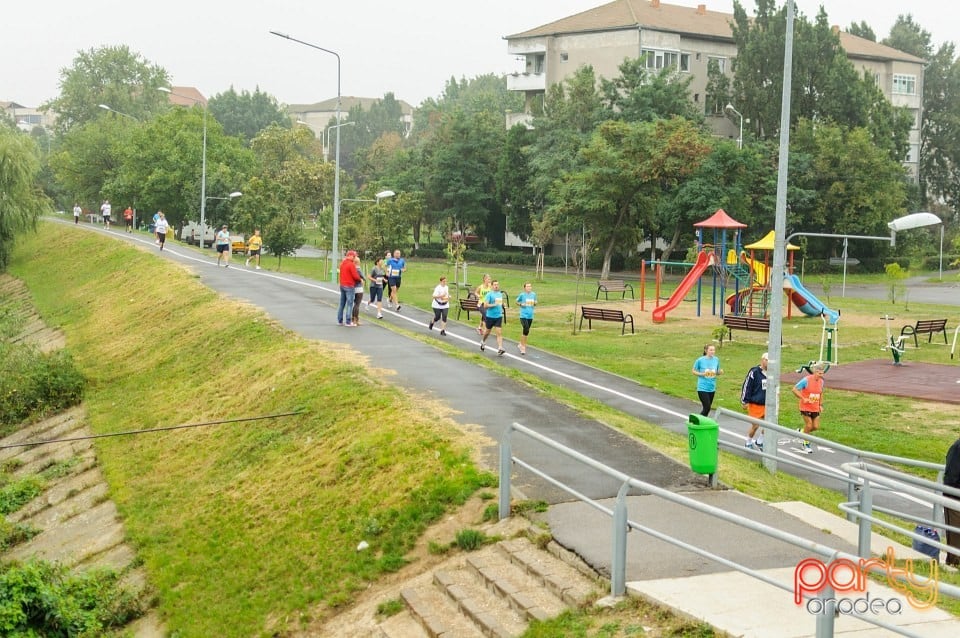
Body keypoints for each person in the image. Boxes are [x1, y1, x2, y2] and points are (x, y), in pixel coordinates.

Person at [792, 363, 825, 454]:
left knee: (815, 427)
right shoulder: (806, 380)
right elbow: (794, 389)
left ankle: (801, 432)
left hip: (815, 407)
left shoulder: (821, 382)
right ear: (815, 372)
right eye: (820, 373)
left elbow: (821, 393)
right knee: (809, 425)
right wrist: (803, 398)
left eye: (822, 373)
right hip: (805, 406)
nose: (822, 375)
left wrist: (820, 405)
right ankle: (805, 444)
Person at [741, 352, 768, 450]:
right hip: (755, 403)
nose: (768, 363)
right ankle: (748, 441)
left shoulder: (772, 373)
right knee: (755, 425)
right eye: (766, 360)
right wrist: (745, 401)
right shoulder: (755, 372)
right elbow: (747, 386)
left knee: (769, 425)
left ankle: (760, 441)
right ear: (762, 360)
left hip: (767, 404)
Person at [692, 344, 723, 416]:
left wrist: (720, 372)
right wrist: (702, 374)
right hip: (702, 387)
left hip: (712, 388)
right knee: (707, 407)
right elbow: (693, 371)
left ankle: (702, 425)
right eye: (711, 350)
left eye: (714, 350)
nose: (713, 351)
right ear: (706, 351)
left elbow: (717, 372)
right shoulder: (700, 360)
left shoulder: (716, 359)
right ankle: (695, 422)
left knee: (707, 409)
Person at [944, 436, 960, 567]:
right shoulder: (957, 448)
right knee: (954, 533)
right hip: (954, 496)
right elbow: (952, 477)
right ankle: (953, 564)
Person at [479, 279, 506, 356]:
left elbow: (500, 303)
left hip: (498, 316)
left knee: (499, 332)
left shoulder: (500, 294)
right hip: (490, 316)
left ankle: (500, 348)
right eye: (495, 285)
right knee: (487, 332)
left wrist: (503, 305)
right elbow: (485, 306)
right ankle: (483, 341)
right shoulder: (489, 295)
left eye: (497, 284)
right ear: (491, 286)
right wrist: (494, 304)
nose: (496, 286)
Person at [337, 250, 362, 326]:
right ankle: (348, 321)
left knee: (342, 304)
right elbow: (355, 276)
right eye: (354, 256)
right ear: (350, 256)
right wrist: (360, 279)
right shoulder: (351, 264)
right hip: (349, 285)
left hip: (342, 285)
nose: (354, 258)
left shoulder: (342, 263)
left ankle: (340, 320)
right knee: (350, 304)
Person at [516, 282, 537, 355]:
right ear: (525, 288)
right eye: (527, 286)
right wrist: (521, 304)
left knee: (526, 332)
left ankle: (521, 344)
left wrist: (535, 303)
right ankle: (523, 347)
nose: (529, 288)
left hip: (530, 315)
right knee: (526, 329)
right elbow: (517, 301)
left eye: (530, 286)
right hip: (523, 315)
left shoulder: (533, 294)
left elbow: (536, 301)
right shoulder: (522, 295)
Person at [351, 256, 365, 326]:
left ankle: (353, 318)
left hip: (353, 287)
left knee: (354, 304)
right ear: (358, 262)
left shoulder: (352, 269)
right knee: (357, 304)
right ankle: (356, 319)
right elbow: (363, 277)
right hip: (359, 288)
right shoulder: (358, 269)